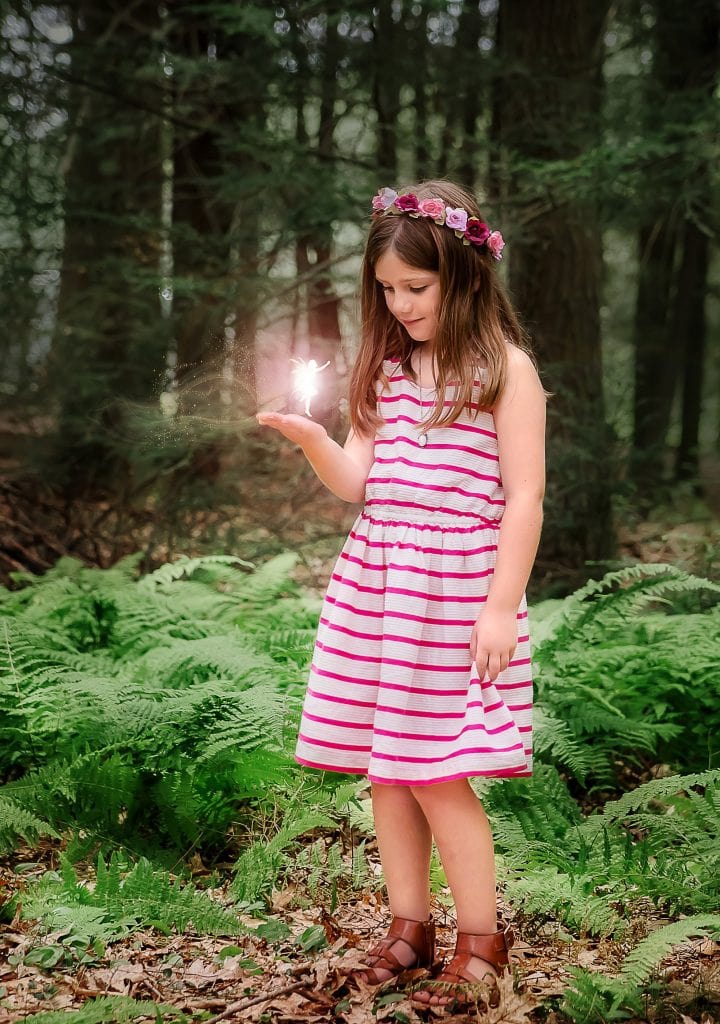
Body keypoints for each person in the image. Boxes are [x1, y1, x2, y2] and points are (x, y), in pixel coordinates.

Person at [257, 179, 546, 1011]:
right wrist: (313, 440)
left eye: (415, 287)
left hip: (453, 595)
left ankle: (481, 944)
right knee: (388, 771)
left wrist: (499, 606)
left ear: (463, 276)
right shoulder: (390, 371)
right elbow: (358, 482)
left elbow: (525, 498)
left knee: (437, 772)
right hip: (378, 589)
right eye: (386, 290)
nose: (400, 304)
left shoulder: (504, 370)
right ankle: (408, 930)